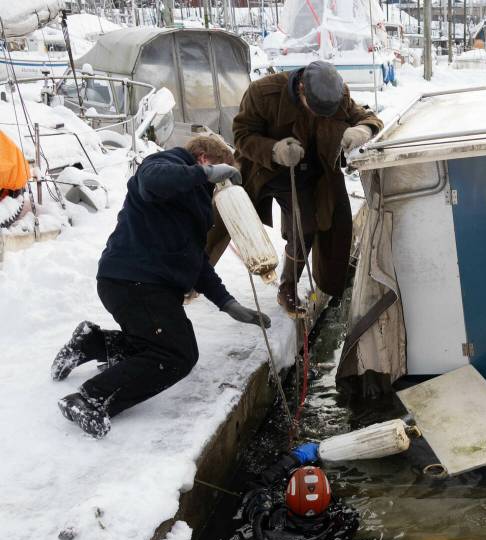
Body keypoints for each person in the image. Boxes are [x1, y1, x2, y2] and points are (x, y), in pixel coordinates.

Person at [51, 135, 270, 438]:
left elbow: (195, 260)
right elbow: (153, 181)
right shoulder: (163, 164)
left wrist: (228, 303)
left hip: (138, 285)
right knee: (177, 354)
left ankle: (92, 343)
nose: (219, 184)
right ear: (204, 158)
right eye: (220, 173)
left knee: (159, 342)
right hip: (135, 281)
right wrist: (206, 175)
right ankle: (89, 399)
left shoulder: (192, 200)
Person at [226, 60, 383, 317]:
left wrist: (361, 131)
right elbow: (241, 135)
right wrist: (275, 150)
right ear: (301, 88)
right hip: (266, 170)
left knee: (307, 226)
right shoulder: (262, 92)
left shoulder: (337, 93)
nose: (321, 116)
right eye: (317, 110)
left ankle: (287, 286)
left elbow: (368, 118)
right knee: (221, 224)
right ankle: (190, 279)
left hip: (309, 172)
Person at [241, 443, 358, 540]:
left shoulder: (268, 523)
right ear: (328, 497)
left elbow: (257, 487)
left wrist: (293, 458)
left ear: (288, 496)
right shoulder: (343, 522)